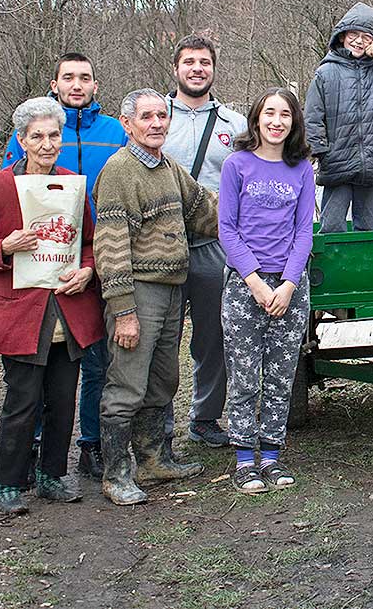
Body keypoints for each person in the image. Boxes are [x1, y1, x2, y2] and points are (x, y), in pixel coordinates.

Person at [0, 97, 105, 514]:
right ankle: (8, 482)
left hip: (68, 310)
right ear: (21, 140)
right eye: (37, 136)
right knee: (22, 401)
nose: (47, 144)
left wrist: (87, 271)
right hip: (23, 313)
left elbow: (90, 244)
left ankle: (51, 476)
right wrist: (4, 246)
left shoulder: (71, 185)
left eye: (54, 135)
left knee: (63, 399)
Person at [3, 53, 128, 480]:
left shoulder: (113, 131)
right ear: (54, 84)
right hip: (40, 262)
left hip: (98, 255)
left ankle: (90, 445)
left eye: (86, 77)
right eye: (69, 77)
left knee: (96, 361)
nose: (78, 84)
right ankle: (32, 447)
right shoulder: (35, 130)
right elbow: (7, 195)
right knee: (41, 361)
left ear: (95, 84)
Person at [93, 89, 218, 505]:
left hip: (170, 289)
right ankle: (116, 473)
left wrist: (260, 208)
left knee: (163, 379)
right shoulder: (119, 171)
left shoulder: (168, 168)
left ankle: (153, 460)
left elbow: (206, 211)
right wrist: (124, 312)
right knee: (127, 382)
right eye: (146, 117)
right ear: (127, 124)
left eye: (161, 116)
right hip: (138, 292)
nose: (156, 123)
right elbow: (110, 248)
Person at [218, 88, 314, 493]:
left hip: (290, 287)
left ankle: (272, 455)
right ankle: (244, 459)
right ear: (256, 118)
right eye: (269, 113)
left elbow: (304, 230)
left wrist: (289, 283)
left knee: (280, 374)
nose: (277, 121)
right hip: (245, 285)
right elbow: (227, 228)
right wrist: (255, 282)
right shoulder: (236, 166)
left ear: (294, 123)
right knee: (244, 374)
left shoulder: (302, 169)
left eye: (285, 115)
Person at [163, 35, 247, 450]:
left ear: (214, 69)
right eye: (189, 62)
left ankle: (206, 417)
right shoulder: (155, 117)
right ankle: (156, 422)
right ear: (176, 68)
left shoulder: (234, 124)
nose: (197, 69)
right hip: (162, 243)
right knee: (162, 337)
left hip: (216, 241)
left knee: (213, 336)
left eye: (205, 63)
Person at [305, 2, 373, 233]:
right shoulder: (325, 72)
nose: (359, 41)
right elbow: (312, 116)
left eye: (367, 37)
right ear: (342, 36)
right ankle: (332, 270)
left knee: (369, 227)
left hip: (371, 162)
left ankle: (365, 269)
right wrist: (321, 152)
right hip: (337, 162)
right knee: (332, 227)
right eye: (354, 34)